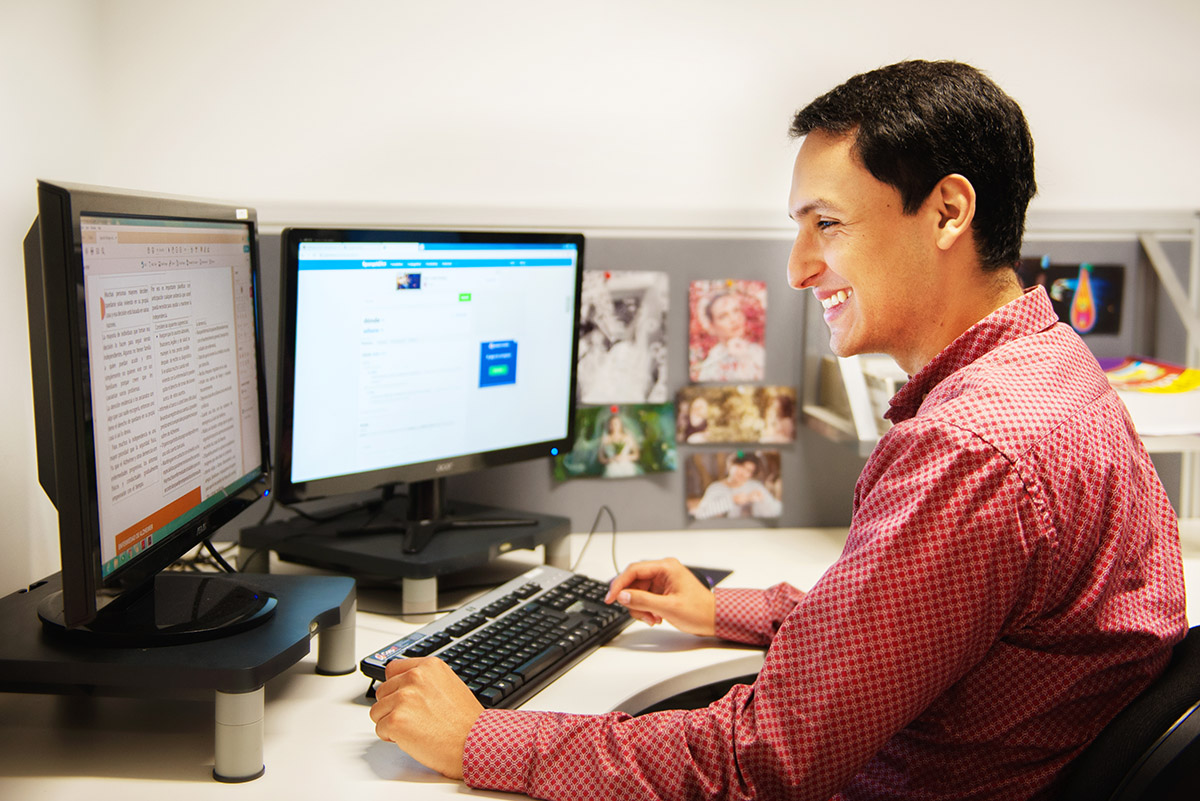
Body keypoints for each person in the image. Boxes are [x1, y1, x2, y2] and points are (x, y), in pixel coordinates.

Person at [369, 60, 1187, 800]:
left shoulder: (970, 447)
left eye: (826, 224)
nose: (797, 269)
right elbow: (914, 620)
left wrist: (479, 738)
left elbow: (761, 764)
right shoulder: (1052, 373)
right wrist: (725, 608)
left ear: (947, 212)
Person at [691, 289, 766, 382]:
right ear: (711, 326)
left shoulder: (758, 353)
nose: (734, 319)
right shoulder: (710, 367)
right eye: (723, 316)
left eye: (736, 310)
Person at [689, 452, 781, 520]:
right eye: (741, 466)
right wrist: (731, 500)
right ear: (730, 465)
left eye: (749, 471)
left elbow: (776, 512)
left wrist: (762, 501)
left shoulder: (756, 487)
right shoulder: (716, 488)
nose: (743, 473)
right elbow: (700, 514)